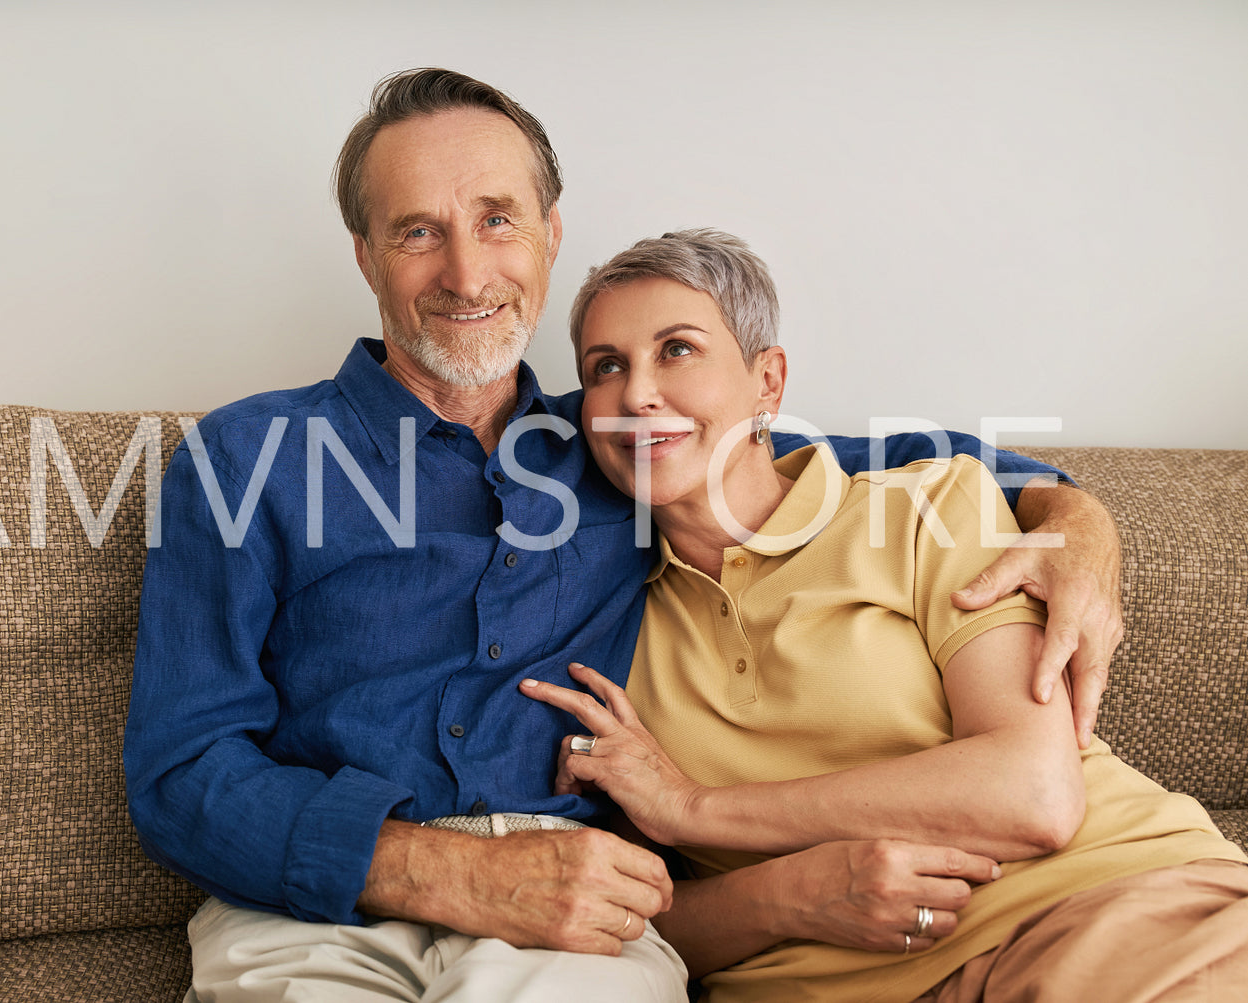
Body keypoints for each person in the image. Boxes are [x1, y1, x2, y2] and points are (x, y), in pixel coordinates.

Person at [124, 69, 1124, 1001]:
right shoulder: (244, 455)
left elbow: (916, 459)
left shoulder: (625, 438)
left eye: (496, 220)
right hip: (315, 902)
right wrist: (452, 873)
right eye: (417, 231)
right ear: (365, 255)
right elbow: (179, 771)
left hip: (576, 904)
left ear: (549, 236)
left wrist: (1073, 520)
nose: (465, 270)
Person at [522, 228, 1248, 1001]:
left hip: (1107, 908)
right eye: (606, 367)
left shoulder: (925, 507)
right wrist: (795, 890)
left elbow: (1033, 793)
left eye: (677, 350)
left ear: (766, 381)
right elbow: (639, 925)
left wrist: (695, 809)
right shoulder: (596, 620)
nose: (636, 393)